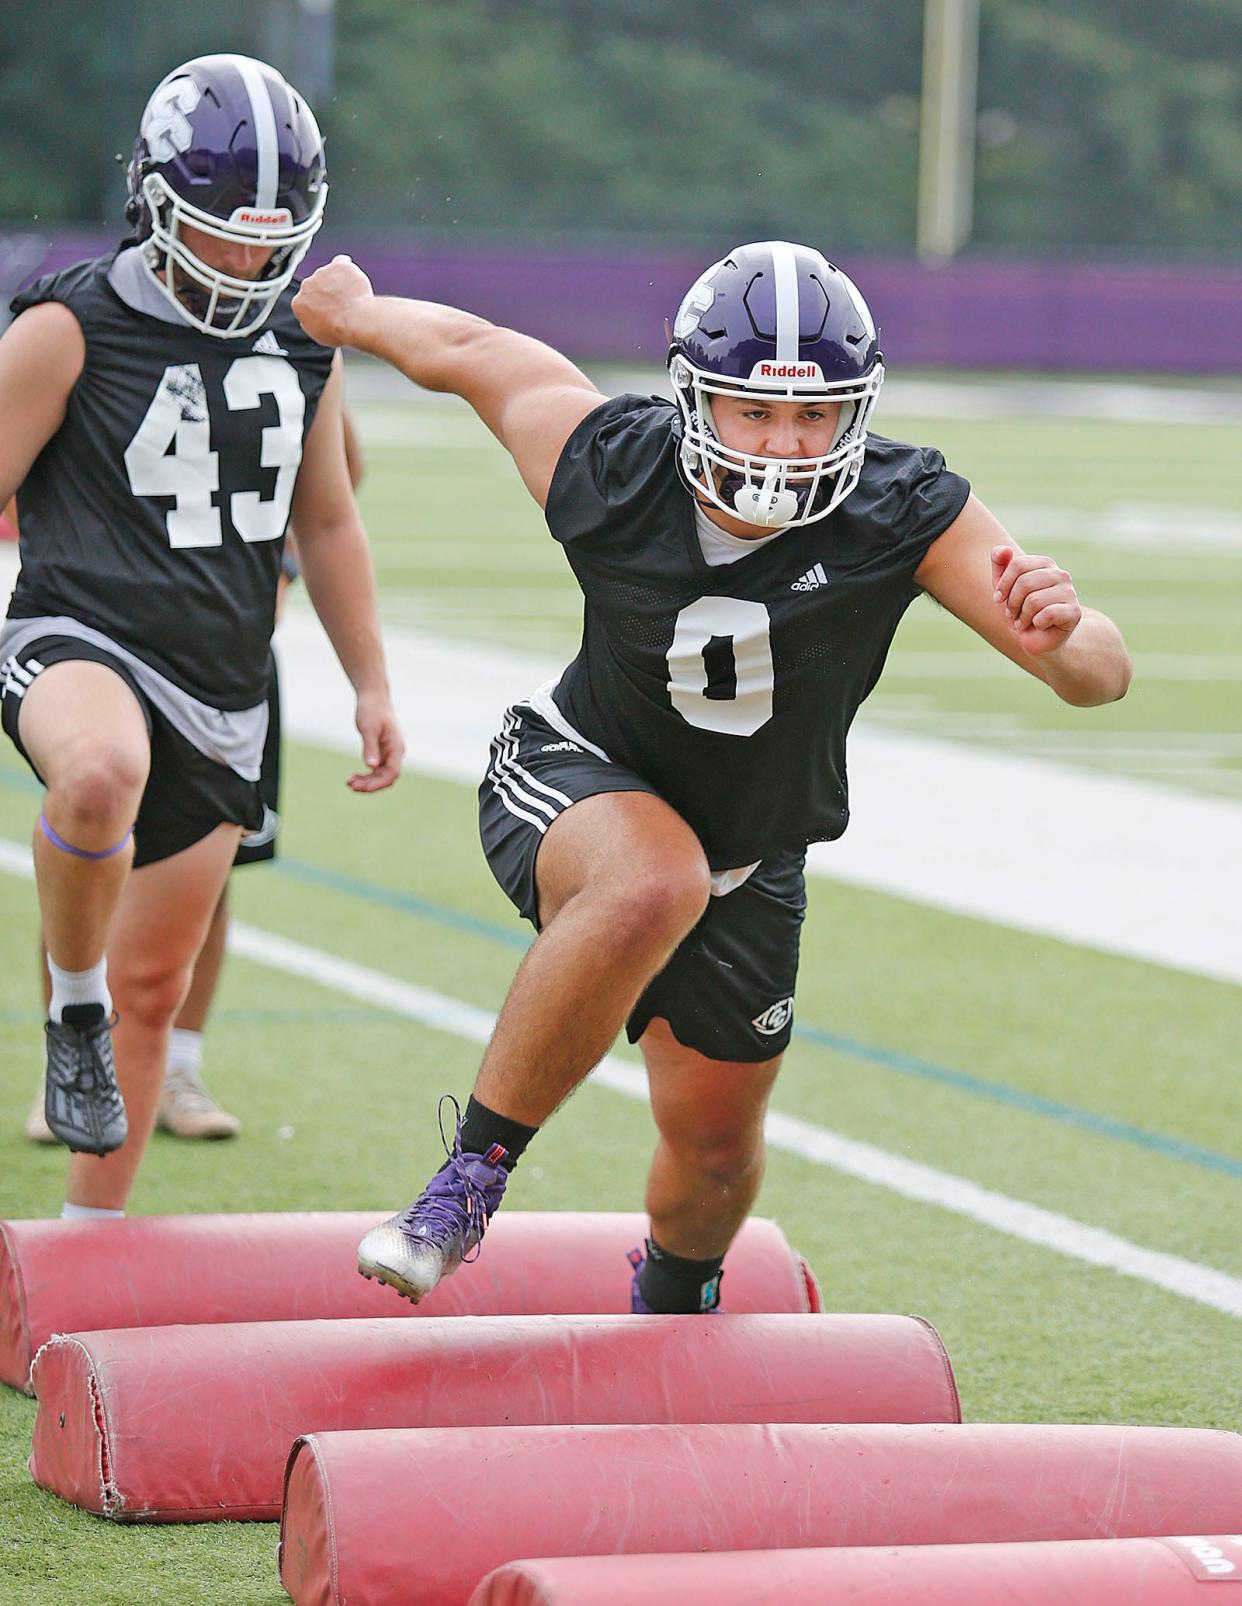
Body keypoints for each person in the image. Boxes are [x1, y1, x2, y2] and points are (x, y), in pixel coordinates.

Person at [292, 241, 1131, 1314]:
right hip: (569, 774)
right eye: (755, 412)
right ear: (695, 399)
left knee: (720, 1152)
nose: (786, 443)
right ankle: (465, 1183)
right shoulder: (613, 462)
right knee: (654, 876)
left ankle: (673, 1307)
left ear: (855, 413)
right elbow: (470, 349)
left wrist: (1063, 633)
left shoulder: (901, 506)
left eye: (815, 416)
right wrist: (360, 314)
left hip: (753, 852)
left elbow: (1098, 675)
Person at [0, 54, 402, 1218]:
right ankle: (68, 1002)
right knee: (98, 770)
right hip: (80, 635)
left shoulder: (303, 340)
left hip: (225, 679)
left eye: (266, 238)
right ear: (155, 202)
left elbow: (327, 521)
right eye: (217, 231)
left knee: (159, 982)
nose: (243, 260)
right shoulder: (69, 324)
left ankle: (84, 1245)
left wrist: (370, 680)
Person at [23, 410, 366, 1145]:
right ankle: (68, 1061)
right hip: (104, 631)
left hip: (224, 650)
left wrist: (285, 564)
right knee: (84, 837)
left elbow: (338, 471)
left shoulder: (282, 341)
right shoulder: (100, 324)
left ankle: (179, 1064)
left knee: (208, 871)